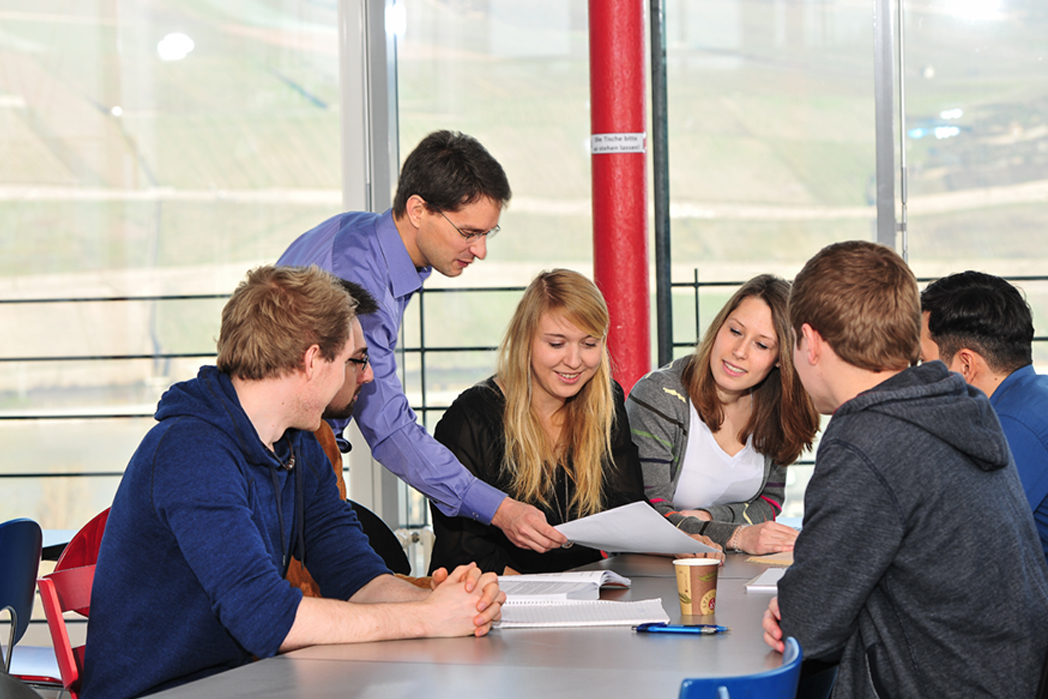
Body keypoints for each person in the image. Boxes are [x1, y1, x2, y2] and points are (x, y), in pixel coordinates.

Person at [81, 266, 504, 699]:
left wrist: (451, 603)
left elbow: (354, 575)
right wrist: (426, 620)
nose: (367, 376)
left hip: (241, 682)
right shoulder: (191, 451)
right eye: (353, 360)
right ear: (312, 360)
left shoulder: (295, 445)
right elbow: (267, 618)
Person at [762, 241, 1048, 698]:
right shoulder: (958, 403)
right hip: (1003, 676)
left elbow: (809, 627)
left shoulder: (867, 438)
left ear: (811, 342)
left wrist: (796, 607)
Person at [278, 130, 566, 556]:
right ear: (418, 210)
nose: (481, 250)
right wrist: (501, 509)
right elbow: (388, 426)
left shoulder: (361, 234)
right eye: (469, 232)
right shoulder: (358, 277)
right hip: (285, 468)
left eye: (489, 233)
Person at [428, 269, 709, 574]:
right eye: (556, 344)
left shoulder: (605, 400)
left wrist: (675, 543)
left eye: (589, 344)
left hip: (583, 588)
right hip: (493, 596)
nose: (574, 362)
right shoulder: (469, 419)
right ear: (525, 341)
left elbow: (625, 507)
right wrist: (544, 600)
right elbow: (463, 551)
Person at [626, 275, 819, 554]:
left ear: (780, 358)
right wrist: (737, 535)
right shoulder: (660, 397)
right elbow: (648, 518)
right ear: (719, 327)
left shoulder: (775, 407)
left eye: (761, 345)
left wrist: (708, 517)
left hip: (734, 570)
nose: (739, 351)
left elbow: (771, 503)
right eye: (735, 331)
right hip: (655, 572)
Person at [920, 270, 1048, 558]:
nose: (919, 377)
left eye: (924, 362)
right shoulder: (1035, 397)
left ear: (966, 365)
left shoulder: (1010, 429)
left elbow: (953, 546)